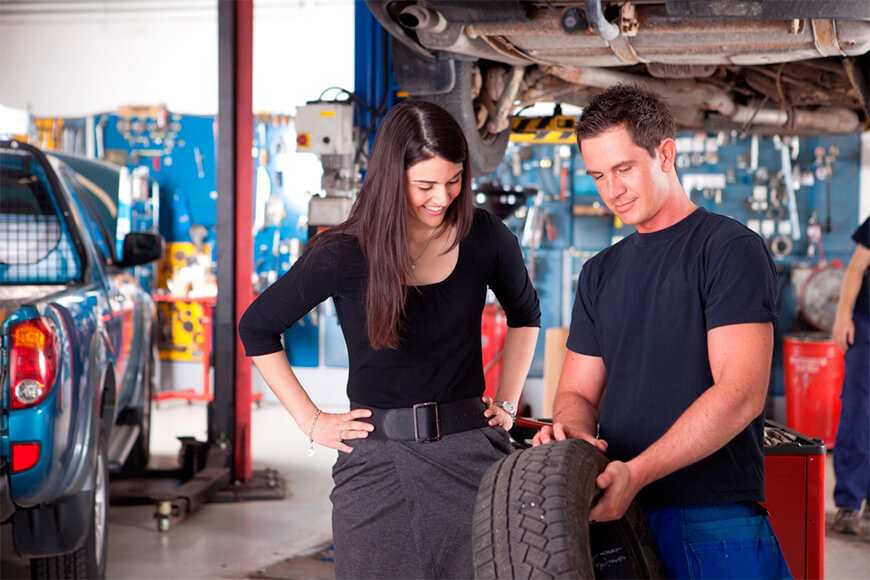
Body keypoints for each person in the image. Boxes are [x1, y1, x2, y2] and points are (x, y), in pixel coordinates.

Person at [239, 99, 540, 579]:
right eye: (425, 185)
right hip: (376, 466)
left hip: (472, 457)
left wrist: (506, 405)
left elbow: (526, 315)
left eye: (454, 180)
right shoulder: (342, 252)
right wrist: (312, 421)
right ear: (391, 177)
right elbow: (256, 328)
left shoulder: (484, 234)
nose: (441, 198)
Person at [533, 84, 791, 578]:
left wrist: (638, 473)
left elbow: (741, 392)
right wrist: (579, 440)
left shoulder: (728, 249)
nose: (612, 190)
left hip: (713, 519)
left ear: (665, 153)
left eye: (624, 168)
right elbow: (575, 393)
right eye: (597, 175)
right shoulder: (599, 272)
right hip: (620, 516)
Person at [830, 215, 870, 535]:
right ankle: (849, 502)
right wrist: (843, 316)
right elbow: (857, 267)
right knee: (858, 412)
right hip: (867, 325)